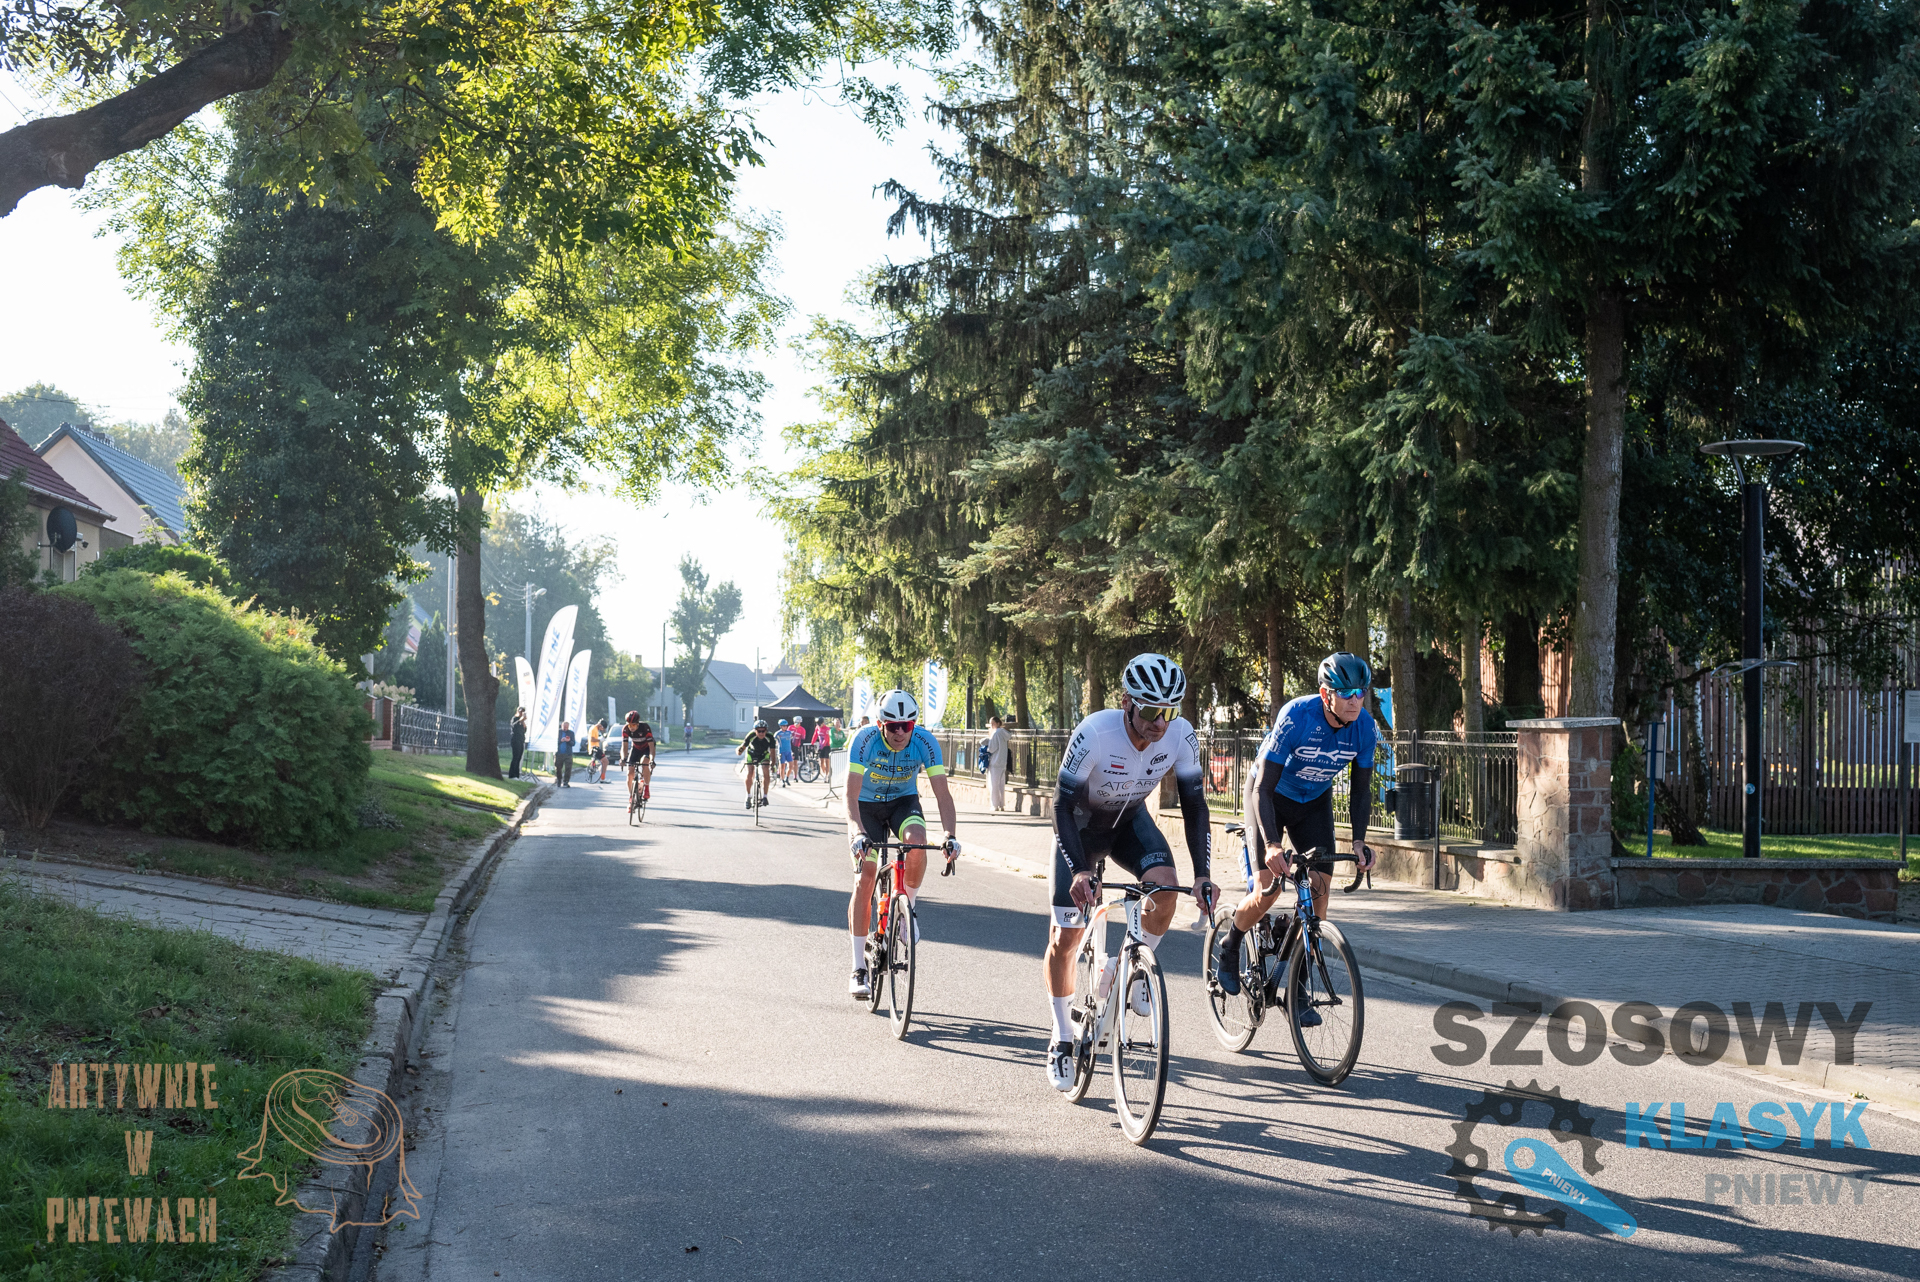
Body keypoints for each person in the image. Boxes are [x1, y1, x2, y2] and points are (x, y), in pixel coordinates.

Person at [1041, 653, 1218, 1092]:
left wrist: (1203, 874)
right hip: (1081, 829)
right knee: (1065, 937)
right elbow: (1061, 805)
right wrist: (1079, 870)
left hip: (1129, 825)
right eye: (1152, 711)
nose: (1160, 722)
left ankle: (1133, 967)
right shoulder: (1095, 733)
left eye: (1169, 711)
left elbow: (1196, 806)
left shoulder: (1181, 734)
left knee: (1166, 889)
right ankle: (1061, 1035)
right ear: (1127, 702)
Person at [1215, 653, 1379, 1010]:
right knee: (1267, 890)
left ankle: (1298, 989)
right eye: (1346, 692)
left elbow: (1361, 791)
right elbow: (1262, 788)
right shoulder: (1297, 716)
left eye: (1361, 692)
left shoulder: (1366, 729)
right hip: (1269, 796)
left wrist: (1359, 841)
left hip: (1313, 803)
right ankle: (1231, 942)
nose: (1355, 700)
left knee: (1320, 895)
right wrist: (1273, 844)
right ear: (1325, 694)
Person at [843, 690, 961, 998]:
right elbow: (850, 796)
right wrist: (857, 832)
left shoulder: (925, 742)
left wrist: (950, 835)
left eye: (906, 726)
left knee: (917, 843)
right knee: (866, 877)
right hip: (865, 807)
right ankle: (858, 968)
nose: (899, 732)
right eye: (892, 726)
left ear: (914, 725)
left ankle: (907, 911)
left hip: (902, 803)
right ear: (880, 724)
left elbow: (943, 795)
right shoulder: (863, 740)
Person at [621, 712, 656, 814]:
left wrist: (652, 760)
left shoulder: (645, 728)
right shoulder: (625, 729)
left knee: (644, 763)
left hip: (647, 748)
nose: (631, 727)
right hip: (636, 748)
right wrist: (623, 758)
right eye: (629, 725)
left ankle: (647, 787)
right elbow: (624, 746)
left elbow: (651, 747)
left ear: (637, 724)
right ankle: (631, 798)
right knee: (629, 772)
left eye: (633, 725)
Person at [736, 719, 776, 808]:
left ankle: (765, 796)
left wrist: (773, 765)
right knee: (750, 772)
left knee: (766, 770)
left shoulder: (770, 737)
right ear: (755, 731)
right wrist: (739, 751)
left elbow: (773, 752)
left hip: (763, 754)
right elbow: (743, 746)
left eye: (763, 731)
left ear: (766, 730)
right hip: (752, 754)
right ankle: (748, 796)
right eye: (759, 731)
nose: (761, 733)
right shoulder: (751, 735)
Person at [984, 714, 1011, 811]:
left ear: (998, 723)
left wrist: (987, 745)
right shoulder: (1004, 733)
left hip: (995, 762)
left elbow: (992, 748)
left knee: (993, 784)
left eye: (993, 723)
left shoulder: (995, 733)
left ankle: (994, 805)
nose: (991, 726)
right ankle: (1001, 804)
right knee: (1001, 785)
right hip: (1003, 762)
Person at [508, 707, 528, 779]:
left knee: (519, 757)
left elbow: (524, 730)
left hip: (521, 740)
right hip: (515, 740)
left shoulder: (522, 722)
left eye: (522, 712)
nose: (521, 713)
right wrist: (520, 720)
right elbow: (513, 726)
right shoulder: (515, 718)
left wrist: (523, 723)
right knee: (515, 757)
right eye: (520, 711)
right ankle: (512, 774)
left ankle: (516, 775)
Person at [775, 718, 796, 786]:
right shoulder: (778, 733)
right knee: (782, 766)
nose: (785, 727)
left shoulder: (789, 733)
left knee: (791, 766)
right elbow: (774, 741)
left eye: (786, 726)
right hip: (781, 751)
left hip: (788, 751)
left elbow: (791, 742)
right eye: (784, 726)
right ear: (781, 726)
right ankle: (782, 779)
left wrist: (792, 751)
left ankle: (787, 777)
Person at [555, 721, 576, 787]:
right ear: (561, 726)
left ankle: (566, 781)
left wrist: (569, 741)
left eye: (566, 727)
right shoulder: (558, 732)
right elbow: (554, 742)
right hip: (559, 753)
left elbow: (573, 743)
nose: (565, 728)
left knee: (568, 768)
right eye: (564, 727)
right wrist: (560, 741)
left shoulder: (571, 733)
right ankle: (559, 780)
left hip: (568, 754)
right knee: (558, 767)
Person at [587, 718, 607, 784]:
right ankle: (602, 778)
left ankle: (601, 774)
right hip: (594, 748)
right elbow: (592, 739)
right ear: (600, 725)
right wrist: (600, 740)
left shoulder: (595, 729)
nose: (602, 730)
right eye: (602, 728)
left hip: (595, 747)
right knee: (606, 761)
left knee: (603, 762)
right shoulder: (593, 729)